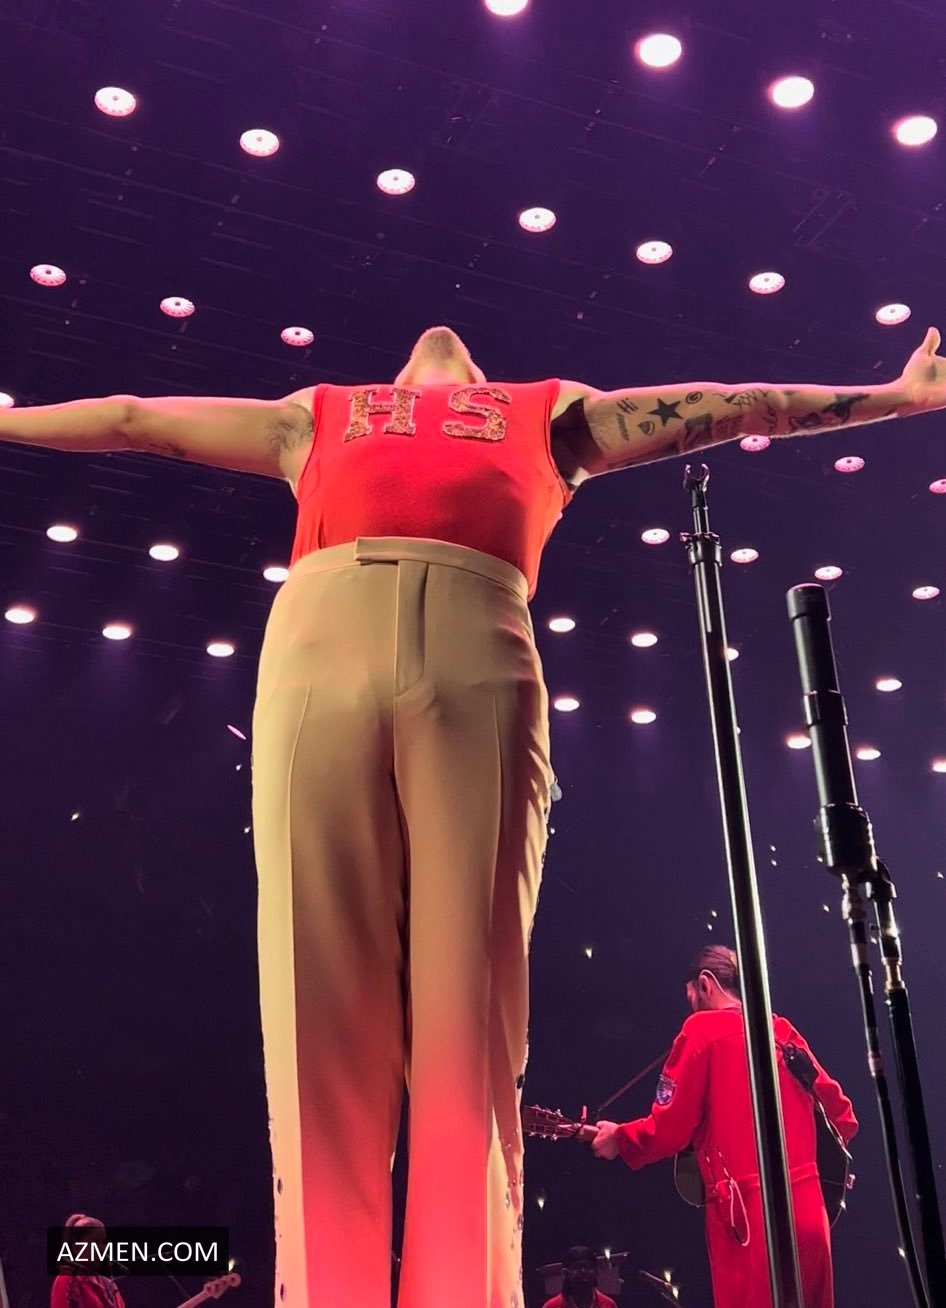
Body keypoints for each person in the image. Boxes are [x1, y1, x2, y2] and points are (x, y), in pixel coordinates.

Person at [4, 322, 941, 1308]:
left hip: (476, 639)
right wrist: (9, 422)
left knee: (470, 1020)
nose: (438, 336)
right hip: (321, 643)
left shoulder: (546, 412)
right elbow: (135, 419)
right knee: (318, 1008)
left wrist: (895, 396)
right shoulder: (316, 415)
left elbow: (730, 403)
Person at [590, 947, 858, 1308]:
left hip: (749, 1218)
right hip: (810, 1213)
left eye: (691, 997)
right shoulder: (780, 1029)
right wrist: (821, 1164)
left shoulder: (700, 1030)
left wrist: (621, 1139)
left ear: (706, 983)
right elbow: (842, 1115)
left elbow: (669, 1130)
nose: (691, 1008)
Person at [50, 1216, 125, 1308]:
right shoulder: (67, 1280)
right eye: (95, 1243)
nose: (102, 1249)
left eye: (103, 1242)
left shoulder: (109, 1286)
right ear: (77, 1247)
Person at [541, 1245, 617, 1308]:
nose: (583, 1271)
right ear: (565, 1273)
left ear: (596, 1272)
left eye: (588, 1267)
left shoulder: (608, 1305)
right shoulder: (552, 1306)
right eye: (577, 1267)